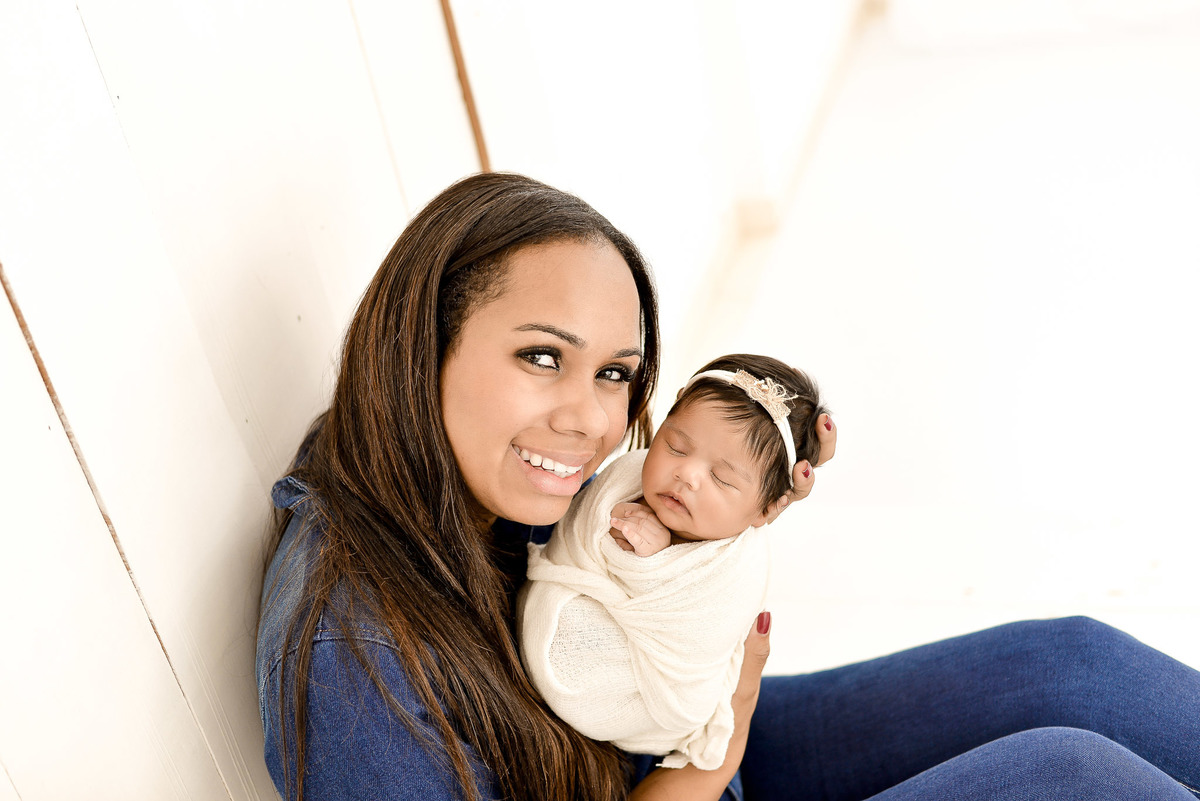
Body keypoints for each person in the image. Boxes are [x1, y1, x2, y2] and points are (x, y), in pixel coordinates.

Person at [257, 172, 1200, 801]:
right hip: (689, 765)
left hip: (665, 746)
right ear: (420, 341)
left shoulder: (439, 468)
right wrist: (709, 761)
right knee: (1072, 777)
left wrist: (738, 499)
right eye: (542, 357)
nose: (590, 419)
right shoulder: (352, 661)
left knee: (1074, 665)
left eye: (616, 373)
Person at [518, 354, 828, 771]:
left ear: (765, 510)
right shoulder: (626, 478)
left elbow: (696, 636)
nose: (687, 474)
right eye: (676, 446)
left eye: (722, 479)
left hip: (658, 709)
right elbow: (578, 536)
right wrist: (614, 536)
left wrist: (649, 562)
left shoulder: (738, 565)